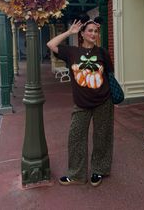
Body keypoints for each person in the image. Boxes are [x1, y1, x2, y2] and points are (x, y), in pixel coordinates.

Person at [47, 16, 114, 187]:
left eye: (96, 31)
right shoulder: (71, 52)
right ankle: (76, 174)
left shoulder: (102, 52)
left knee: (102, 137)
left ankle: (99, 170)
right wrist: (70, 31)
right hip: (81, 104)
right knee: (75, 136)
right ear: (82, 34)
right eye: (90, 31)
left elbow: (108, 74)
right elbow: (51, 45)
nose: (93, 33)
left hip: (103, 101)